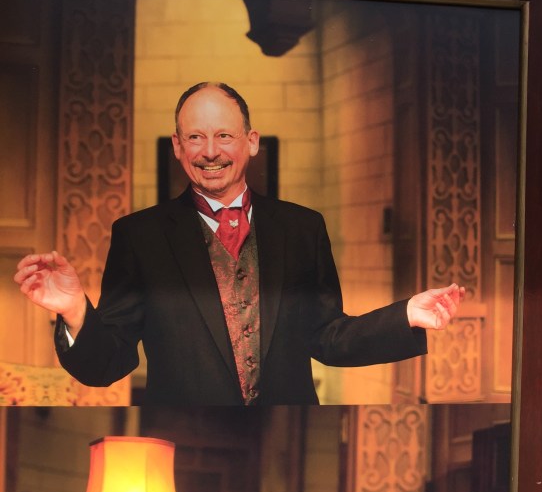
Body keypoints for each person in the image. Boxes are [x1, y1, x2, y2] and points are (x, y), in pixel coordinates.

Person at [14, 82, 465, 405]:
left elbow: (327, 336)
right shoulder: (139, 236)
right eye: (195, 137)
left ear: (251, 142)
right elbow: (107, 364)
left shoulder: (304, 227)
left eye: (224, 135)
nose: (210, 151)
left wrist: (406, 314)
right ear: (177, 145)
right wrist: (74, 310)